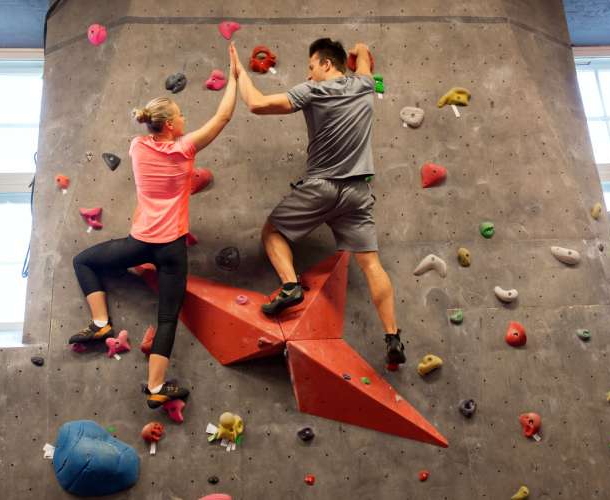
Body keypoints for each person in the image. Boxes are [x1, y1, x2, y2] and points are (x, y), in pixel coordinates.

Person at [70, 44, 239, 408]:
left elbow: (156, 138)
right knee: (167, 318)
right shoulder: (184, 149)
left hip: (140, 244)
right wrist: (235, 78)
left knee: (83, 261)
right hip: (172, 249)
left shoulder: (136, 147)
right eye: (180, 115)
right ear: (170, 125)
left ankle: (100, 323)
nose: (184, 120)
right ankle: (156, 388)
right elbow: (222, 118)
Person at [229, 38, 406, 366]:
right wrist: (358, 50)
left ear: (326, 64)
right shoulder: (365, 85)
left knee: (272, 232)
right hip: (358, 194)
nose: (308, 74)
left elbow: (256, 104)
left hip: (321, 187)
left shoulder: (313, 91)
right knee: (371, 264)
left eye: (311, 67)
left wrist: (240, 73)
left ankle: (290, 286)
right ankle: (393, 335)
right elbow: (364, 52)